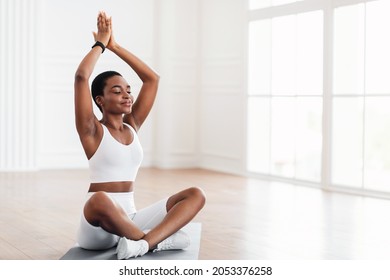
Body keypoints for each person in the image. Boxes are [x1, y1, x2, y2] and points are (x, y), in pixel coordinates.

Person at [74, 11, 206, 259]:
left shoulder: (131, 125)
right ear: (100, 100)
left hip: (130, 218)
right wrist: (101, 44)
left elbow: (152, 79)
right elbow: (82, 77)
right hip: (97, 229)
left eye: (128, 90)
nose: (127, 95)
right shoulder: (91, 130)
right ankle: (157, 239)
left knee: (196, 194)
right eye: (117, 91)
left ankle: (143, 244)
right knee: (99, 200)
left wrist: (116, 46)